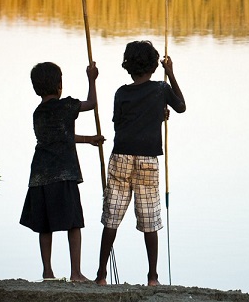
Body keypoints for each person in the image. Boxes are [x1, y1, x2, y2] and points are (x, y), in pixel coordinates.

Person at [94, 41, 186, 286]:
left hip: (121, 157)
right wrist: (172, 74)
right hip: (147, 160)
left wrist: (157, 114)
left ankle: (101, 275)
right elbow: (182, 106)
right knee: (149, 219)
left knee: (112, 216)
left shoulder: (121, 93)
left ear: (128, 66)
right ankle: (153, 277)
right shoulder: (160, 89)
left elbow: (120, 123)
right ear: (155, 66)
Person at [19, 61, 104, 282]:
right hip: (64, 173)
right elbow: (92, 103)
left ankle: (47, 272)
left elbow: (59, 136)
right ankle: (76, 273)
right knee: (73, 223)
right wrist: (92, 79)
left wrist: (89, 140)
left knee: (44, 225)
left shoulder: (38, 113)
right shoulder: (66, 106)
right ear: (59, 85)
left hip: (40, 175)